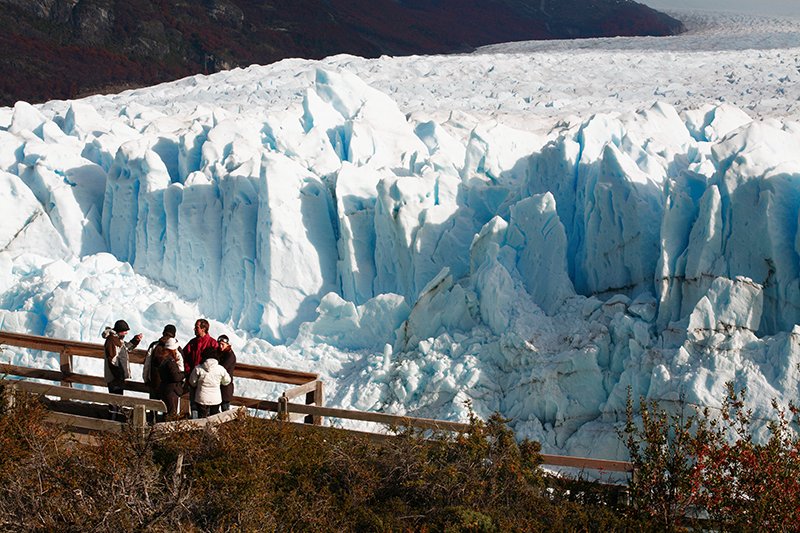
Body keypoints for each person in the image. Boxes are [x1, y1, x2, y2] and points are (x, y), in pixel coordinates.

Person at [101, 319, 142, 420]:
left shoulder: (117, 339)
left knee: (117, 399)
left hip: (117, 376)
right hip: (114, 377)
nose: (126, 333)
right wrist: (119, 375)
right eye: (125, 331)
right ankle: (112, 421)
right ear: (119, 331)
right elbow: (112, 360)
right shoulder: (112, 341)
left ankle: (115, 419)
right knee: (115, 400)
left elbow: (126, 348)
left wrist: (135, 340)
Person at [143, 324, 179, 422]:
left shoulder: (154, 345)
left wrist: (146, 378)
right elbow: (180, 365)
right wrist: (180, 381)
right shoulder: (175, 347)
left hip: (155, 383)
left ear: (163, 332)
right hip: (170, 386)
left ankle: (151, 429)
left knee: (153, 408)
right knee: (169, 410)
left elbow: (147, 364)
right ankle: (167, 431)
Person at [183, 319, 218, 418]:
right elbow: (184, 356)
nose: (194, 329)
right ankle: (195, 427)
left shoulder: (213, 343)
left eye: (197, 327)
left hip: (207, 381)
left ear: (204, 329)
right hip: (194, 379)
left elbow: (217, 362)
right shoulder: (193, 343)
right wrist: (189, 371)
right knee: (194, 404)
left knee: (207, 406)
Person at [188, 350, 231, 418]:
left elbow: (192, 382)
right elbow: (227, 381)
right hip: (216, 398)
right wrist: (220, 382)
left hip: (201, 398)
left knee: (202, 417)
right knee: (214, 418)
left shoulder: (198, 368)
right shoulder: (220, 368)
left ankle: (201, 428)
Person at [158, 337, 185, 418]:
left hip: (165, 388)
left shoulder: (163, 359)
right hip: (172, 390)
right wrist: (184, 374)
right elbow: (176, 377)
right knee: (171, 414)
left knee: (167, 413)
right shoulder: (170, 361)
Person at [216, 335, 237, 412]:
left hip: (225, 387)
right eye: (219, 344)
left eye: (222, 344)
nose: (220, 346)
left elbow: (222, 368)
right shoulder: (218, 352)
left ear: (227, 344)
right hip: (218, 387)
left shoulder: (230, 355)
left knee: (225, 410)